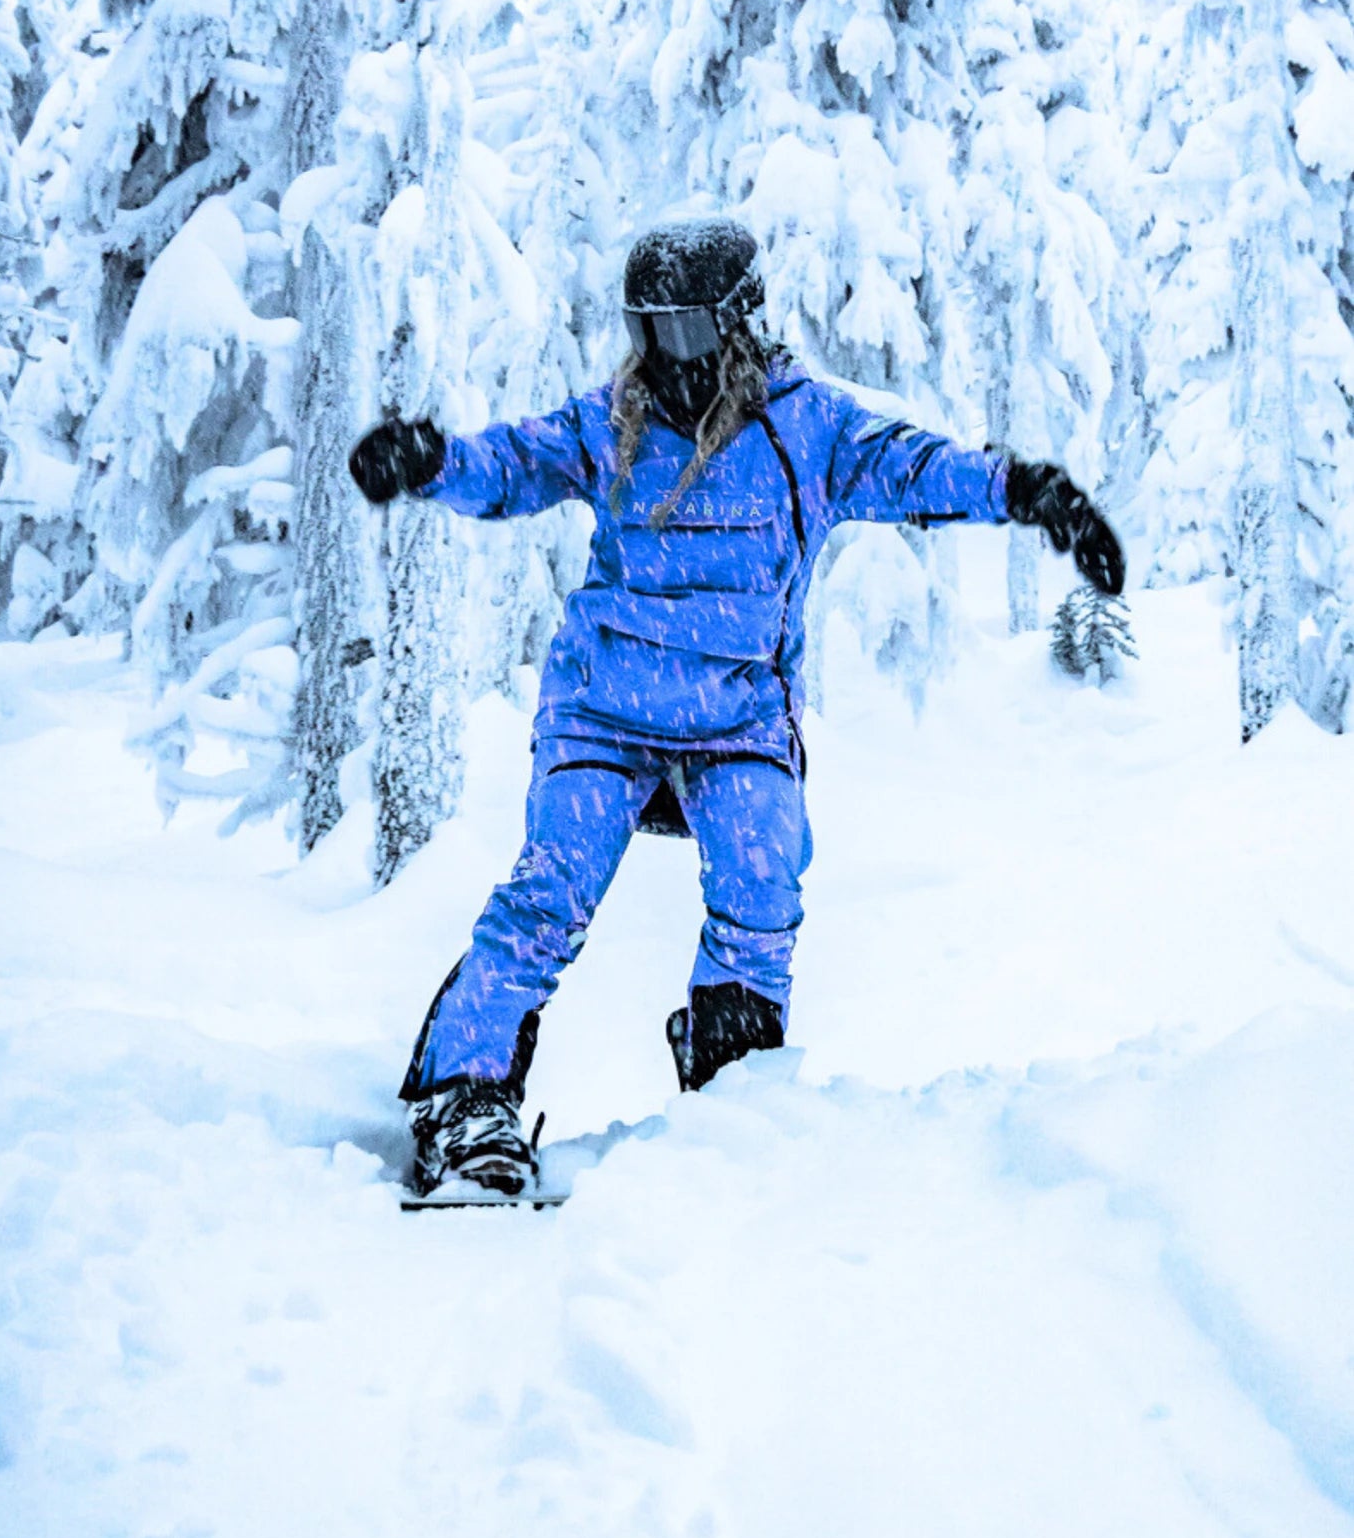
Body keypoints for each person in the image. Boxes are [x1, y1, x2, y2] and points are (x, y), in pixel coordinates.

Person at [349, 220, 1124, 1196]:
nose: (669, 359)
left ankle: (733, 1080)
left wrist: (1032, 492)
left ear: (740, 322)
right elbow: (516, 462)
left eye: (686, 331)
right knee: (552, 888)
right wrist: (432, 461)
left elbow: (917, 467)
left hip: (736, 716)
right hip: (606, 706)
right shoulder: (614, 420)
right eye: (651, 331)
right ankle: (464, 1100)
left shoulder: (805, 427)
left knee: (764, 878)